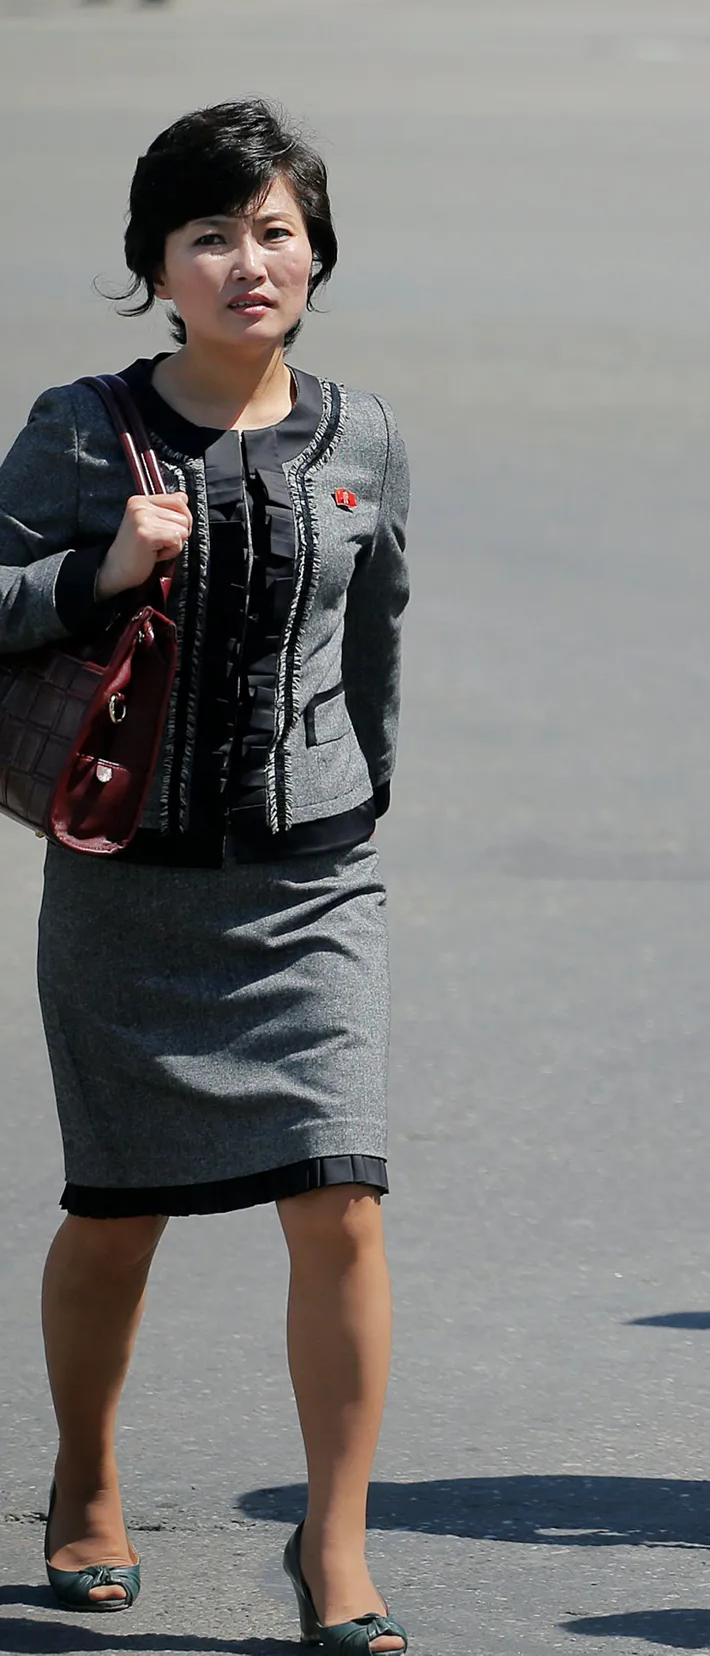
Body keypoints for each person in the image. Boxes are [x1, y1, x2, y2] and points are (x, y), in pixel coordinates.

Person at [9, 101, 412, 1648]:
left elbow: (376, 643)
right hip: (129, 881)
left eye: (276, 231)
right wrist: (95, 571)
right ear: (155, 266)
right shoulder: (78, 425)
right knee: (119, 1212)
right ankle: (87, 1479)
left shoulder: (363, 432)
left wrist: (362, 802)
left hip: (313, 881)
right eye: (212, 236)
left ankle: (335, 1545)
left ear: (315, 251)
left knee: (344, 1202)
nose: (251, 262)